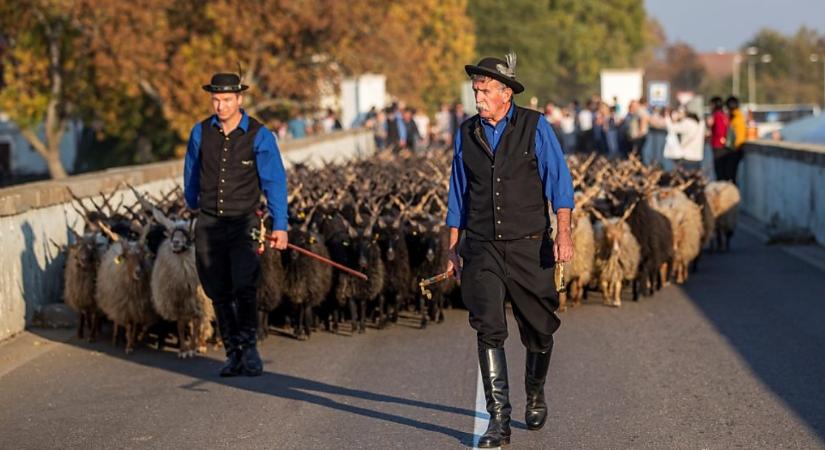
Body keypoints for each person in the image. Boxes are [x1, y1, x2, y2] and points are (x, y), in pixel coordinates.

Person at [445, 52, 574, 448]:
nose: (477, 97)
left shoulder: (535, 127)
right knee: (488, 328)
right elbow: (457, 195)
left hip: (529, 245)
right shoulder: (466, 133)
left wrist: (563, 232)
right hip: (482, 246)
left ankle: (534, 392)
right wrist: (451, 250)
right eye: (475, 91)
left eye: (484, 91)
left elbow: (560, 182)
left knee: (539, 328)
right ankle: (498, 421)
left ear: (505, 93)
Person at [183, 72, 289, 377]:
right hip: (208, 223)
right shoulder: (200, 132)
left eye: (227, 99)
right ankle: (232, 352)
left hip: (244, 222)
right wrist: (191, 199)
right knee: (217, 289)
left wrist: (280, 224)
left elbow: (274, 182)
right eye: (216, 99)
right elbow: (191, 170)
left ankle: (249, 348)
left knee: (245, 286)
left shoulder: (259, 135)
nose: (220, 105)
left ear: (239, 100)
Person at [725, 96, 747, 184]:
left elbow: (736, 136)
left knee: (731, 175)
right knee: (732, 174)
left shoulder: (736, 118)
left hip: (735, 149)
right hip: (737, 148)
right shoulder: (738, 116)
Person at [709, 96, 730, 181]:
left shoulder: (717, 115)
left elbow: (720, 132)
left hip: (718, 146)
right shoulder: (723, 115)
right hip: (722, 146)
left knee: (720, 172)